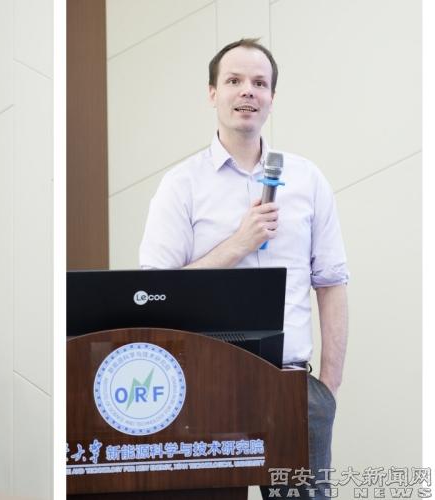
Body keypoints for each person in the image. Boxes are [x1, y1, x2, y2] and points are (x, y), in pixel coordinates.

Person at [139, 39, 349, 499]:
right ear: (212, 93)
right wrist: (238, 244)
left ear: (272, 98)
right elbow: (154, 293)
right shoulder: (181, 185)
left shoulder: (307, 179)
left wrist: (328, 385)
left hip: (293, 385)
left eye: (259, 83)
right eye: (234, 80)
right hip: (205, 386)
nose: (247, 91)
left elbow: (332, 282)